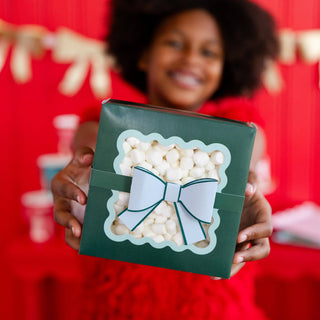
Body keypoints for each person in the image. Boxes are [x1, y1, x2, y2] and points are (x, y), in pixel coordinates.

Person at [51, 0, 278, 318]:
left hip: (213, 307)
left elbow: (244, 170)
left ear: (226, 66)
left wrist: (248, 197)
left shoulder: (242, 129)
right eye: (174, 42)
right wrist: (78, 186)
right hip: (117, 304)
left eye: (209, 52)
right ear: (144, 53)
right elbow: (90, 155)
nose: (190, 59)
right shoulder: (104, 125)